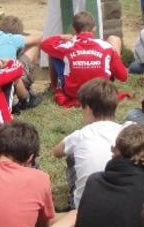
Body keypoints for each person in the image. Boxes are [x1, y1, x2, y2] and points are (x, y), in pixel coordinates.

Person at [53, 78, 125, 207]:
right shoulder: (125, 132)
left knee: (71, 155)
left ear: (88, 109)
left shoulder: (80, 135)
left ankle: (75, 192)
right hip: (121, 201)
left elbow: (57, 152)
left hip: (84, 207)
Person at [40, 11, 128, 107]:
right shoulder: (106, 46)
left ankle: (54, 86)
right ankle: (111, 68)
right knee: (113, 45)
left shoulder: (68, 45)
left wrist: (62, 37)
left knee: (53, 51)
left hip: (74, 93)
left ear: (74, 29)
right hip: (101, 91)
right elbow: (123, 77)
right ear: (94, 28)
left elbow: (44, 44)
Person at [0, 14, 41, 107]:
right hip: (7, 82)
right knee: (34, 46)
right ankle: (26, 93)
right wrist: (23, 36)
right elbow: (38, 37)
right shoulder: (12, 38)